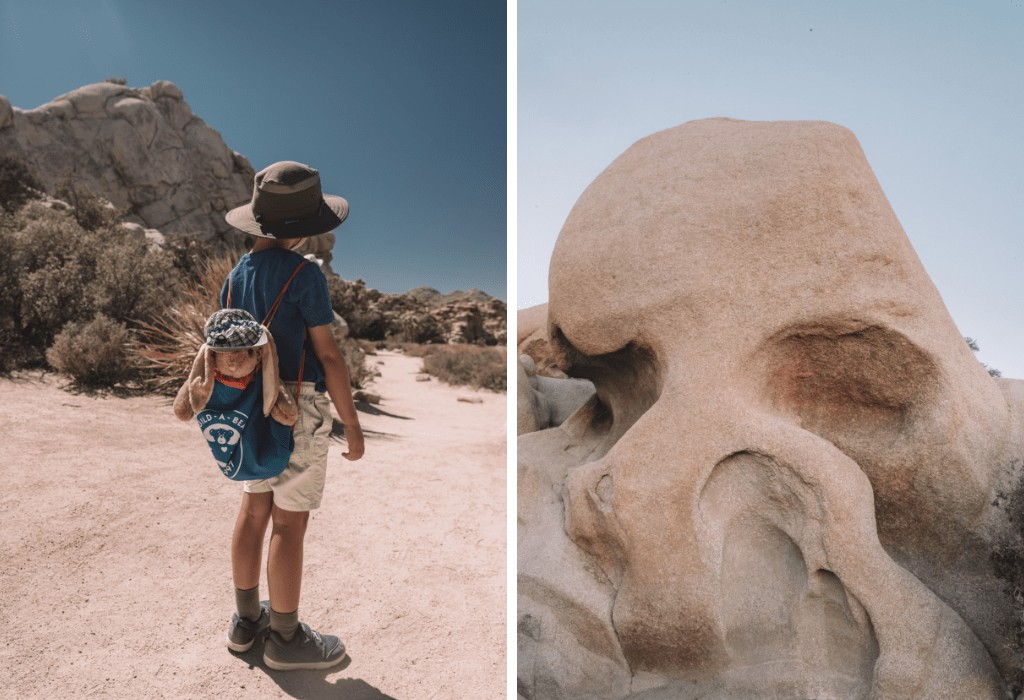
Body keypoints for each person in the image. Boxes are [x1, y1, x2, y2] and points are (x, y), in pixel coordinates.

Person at [220, 160, 365, 670]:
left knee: (252, 509)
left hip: (246, 404)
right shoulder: (305, 277)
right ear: (304, 231)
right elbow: (329, 356)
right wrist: (350, 421)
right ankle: (285, 638)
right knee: (290, 522)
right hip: (297, 406)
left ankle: (245, 621)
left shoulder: (234, 279)